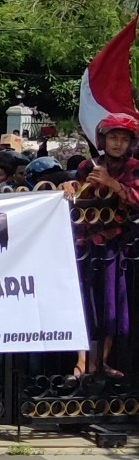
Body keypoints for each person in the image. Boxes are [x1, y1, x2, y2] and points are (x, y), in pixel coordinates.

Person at [74, 112, 139, 379]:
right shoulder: (87, 166)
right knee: (83, 306)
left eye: (123, 139)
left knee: (112, 307)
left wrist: (113, 185)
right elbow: (77, 198)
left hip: (115, 247)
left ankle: (101, 361)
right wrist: (72, 187)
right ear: (103, 139)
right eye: (113, 137)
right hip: (85, 246)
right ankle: (81, 363)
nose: (117, 143)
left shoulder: (134, 167)